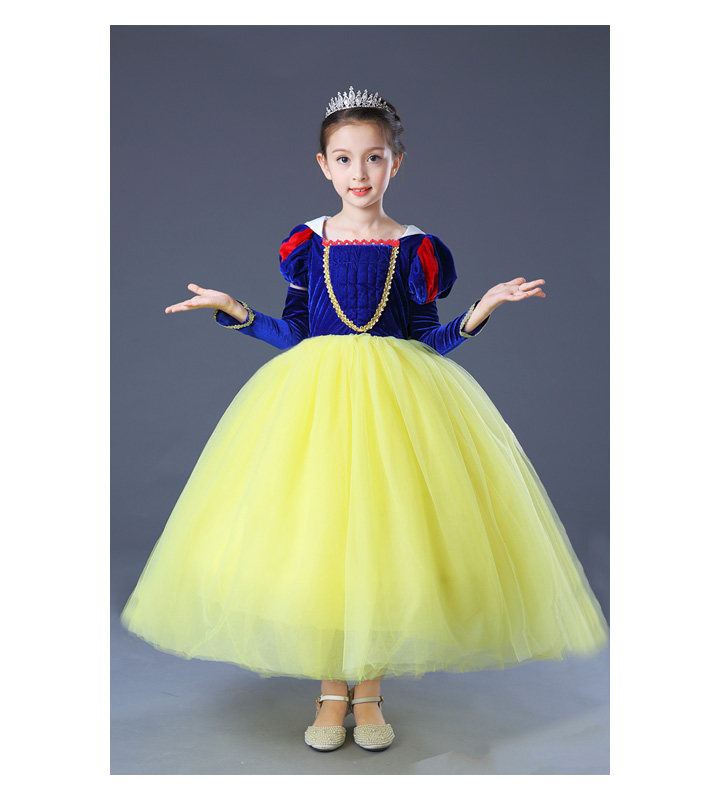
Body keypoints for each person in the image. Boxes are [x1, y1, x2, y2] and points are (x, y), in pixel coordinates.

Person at [121, 85, 609, 753]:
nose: (359, 173)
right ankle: (331, 692)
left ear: (395, 163)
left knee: (385, 541)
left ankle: (371, 691)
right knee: (323, 539)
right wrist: (235, 310)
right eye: (345, 159)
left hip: (397, 411)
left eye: (374, 158)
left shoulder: (418, 249)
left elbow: (426, 340)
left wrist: (480, 310)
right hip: (314, 411)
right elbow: (297, 333)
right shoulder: (306, 244)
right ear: (323, 166)